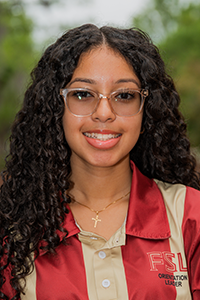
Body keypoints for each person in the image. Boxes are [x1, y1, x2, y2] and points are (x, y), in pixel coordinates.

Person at [0, 23, 200, 300]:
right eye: (82, 94)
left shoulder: (191, 216)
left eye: (124, 96)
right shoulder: (11, 229)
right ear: (56, 108)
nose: (104, 113)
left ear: (147, 110)